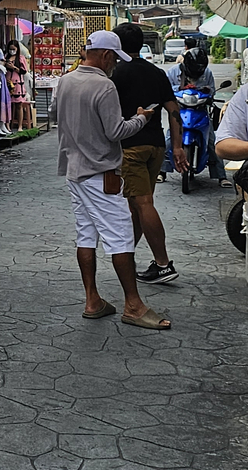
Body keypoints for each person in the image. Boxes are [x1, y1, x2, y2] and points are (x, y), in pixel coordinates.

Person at [53, 29, 170, 331]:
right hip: (101, 172)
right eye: (114, 59)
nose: (115, 65)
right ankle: (133, 305)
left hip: (74, 170)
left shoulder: (65, 80)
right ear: (106, 55)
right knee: (120, 238)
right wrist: (142, 118)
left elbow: (56, 115)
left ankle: (93, 300)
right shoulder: (104, 87)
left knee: (85, 235)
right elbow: (116, 132)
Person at [112, 23, 187, 285]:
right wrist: (177, 147)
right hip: (156, 146)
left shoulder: (116, 73)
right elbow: (173, 110)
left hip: (130, 146)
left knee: (142, 204)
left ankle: (164, 264)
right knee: (138, 206)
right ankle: (125, 255)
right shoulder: (156, 72)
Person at [162, 47, 227, 185]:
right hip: (179, 111)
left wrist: (206, 91)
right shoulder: (173, 72)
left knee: (212, 141)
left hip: (200, 111)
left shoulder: (207, 73)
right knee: (168, 140)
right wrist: (180, 89)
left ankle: (221, 176)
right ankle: (162, 171)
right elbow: (166, 90)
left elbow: (212, 90)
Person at [6, 39, 31, 131]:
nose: (11, 50)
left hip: (18, 83)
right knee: (7, 105)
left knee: (19, 105)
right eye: (10, 49)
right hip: (8, 82)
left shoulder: (21, 58)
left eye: (13, 49)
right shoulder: (6, 57)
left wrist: (14, 67)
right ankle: (8, 125)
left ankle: (20, 126)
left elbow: (24, 71)